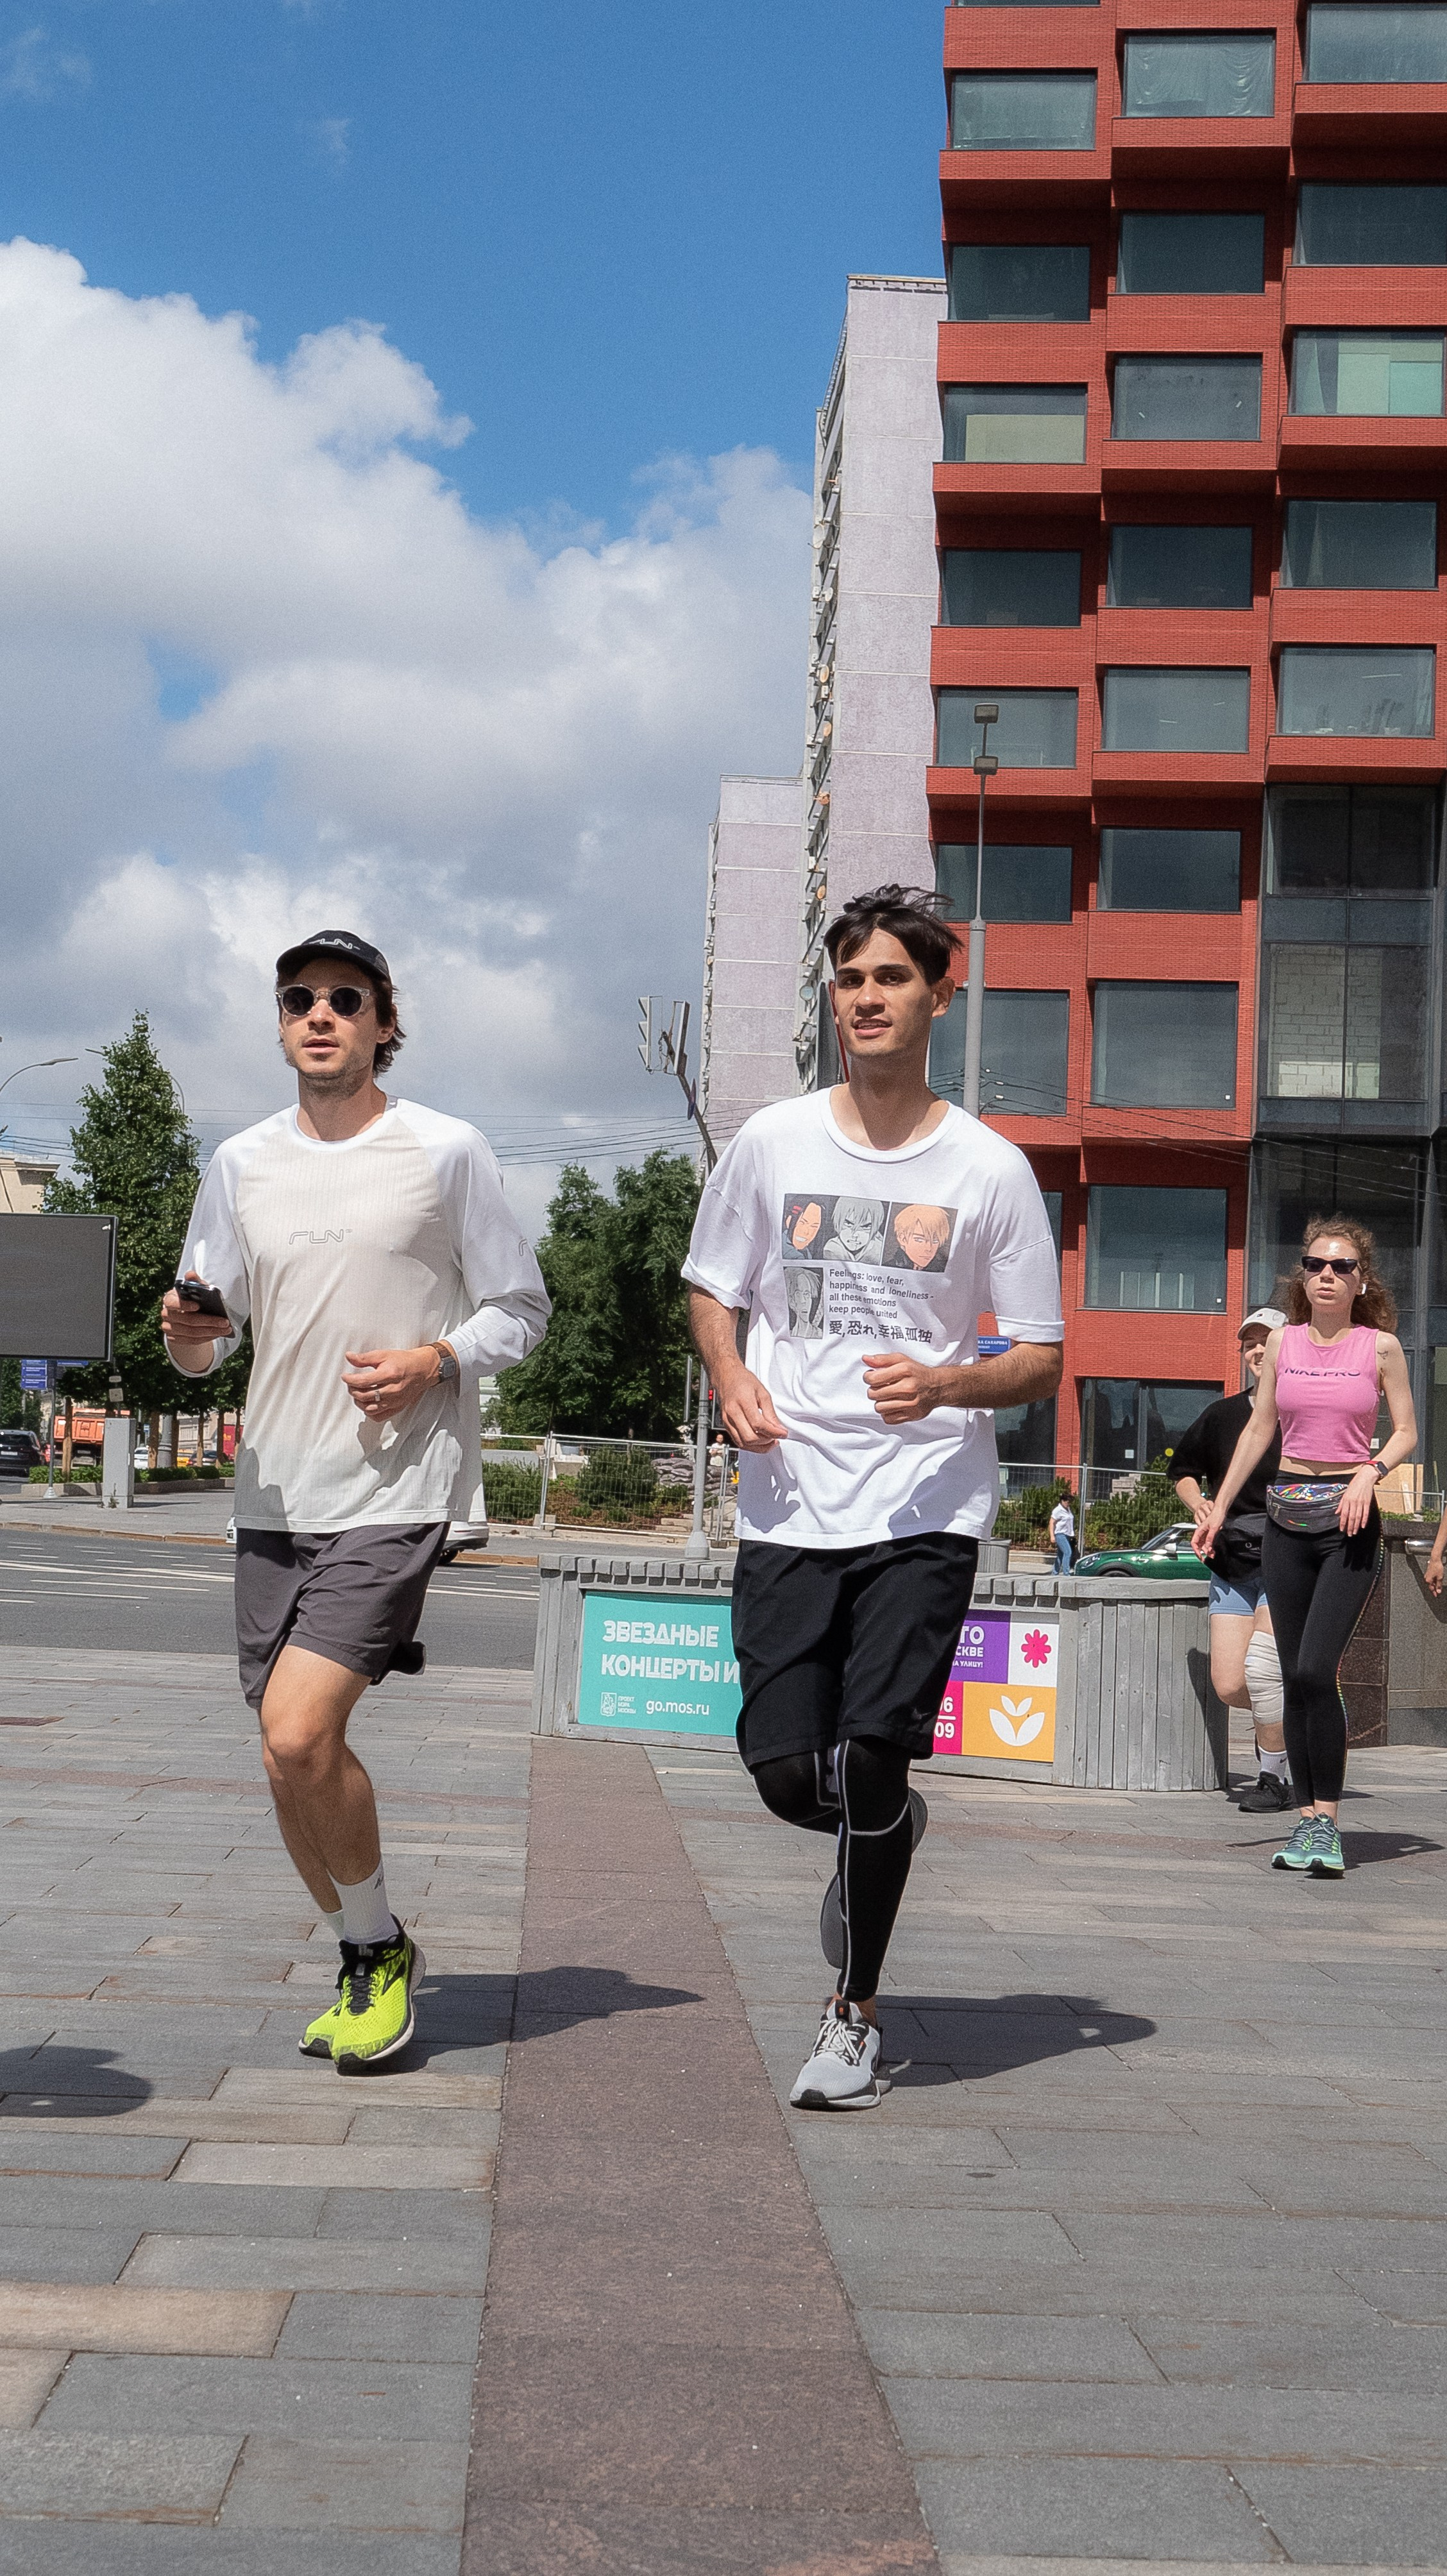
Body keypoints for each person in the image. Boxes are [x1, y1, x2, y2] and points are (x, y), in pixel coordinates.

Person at [683, 883, 1063, 2108]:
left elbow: (1041, 1354)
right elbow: (711, 1287)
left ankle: (852, 2018)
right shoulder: (772, 1142)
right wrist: (732, 1373)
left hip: (922, 1506)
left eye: (892, 978)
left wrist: (949, 1381)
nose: (867, 998)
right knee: (790, 1773)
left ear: (938, 996)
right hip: (789, 1496)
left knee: (878, 1750)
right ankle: (876, 1830)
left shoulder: (989, 1168)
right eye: (849, 978)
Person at [161, 932, 549, 2069]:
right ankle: (364, 1946)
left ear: (385, 1021)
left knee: (300, 1725)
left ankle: (377, 1954)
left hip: (396, 1482)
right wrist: (187, 1335)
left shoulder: (446, 1151)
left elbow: (520, 1310)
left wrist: (435, 1357)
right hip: (273, 1489)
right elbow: (201, 1343)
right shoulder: (239, 1164)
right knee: (281, 1755)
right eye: (299, 999)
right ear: (280, 1024)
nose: (319, 1014)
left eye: (345, 999)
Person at [1196, 1218, 1416, 1877]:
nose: (1327, 1273)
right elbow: (1260, 1428)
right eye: (1317, 1263)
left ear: (1361, 1279)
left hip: (1348, 1524)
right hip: (1284, 1522)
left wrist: (1368, 1473)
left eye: (1342, 1265)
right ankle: (1308, 1824)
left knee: (1319, 1668)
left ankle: (1330, 1817)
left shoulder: (1381, 1348)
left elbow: (1405, 1430)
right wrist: (1220, 1506)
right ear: (1304, 1275)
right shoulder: (1284, 1341)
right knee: (1293, 1677)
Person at [1172, 1309, 1289, 1814]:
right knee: (1230, 1684)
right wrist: (1197, 1502)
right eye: (1250, 1345)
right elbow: (1183, 1469)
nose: (1258, 1351)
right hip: (1231, 1562)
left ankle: (1274, 1775)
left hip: (1288, 1559)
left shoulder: (1304, 1412)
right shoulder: (1222, 1416)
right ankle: (1302, 1708)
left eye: (1267, 1341)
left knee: (1263, 1674)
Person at [1048, 1492, 1075, 1575]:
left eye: (1069, 1502)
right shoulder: (1058, 1510)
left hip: (1067, 1535)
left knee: (1060, 1555)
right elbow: (1052, 1522)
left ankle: (1055, 1573)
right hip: (1060, 1535)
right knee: (1068, 1552)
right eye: (1067, 1501)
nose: (1068, 1503)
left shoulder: (1068, 1509)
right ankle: (1066, 1573)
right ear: (1062, 1501)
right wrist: (1052, 1536)